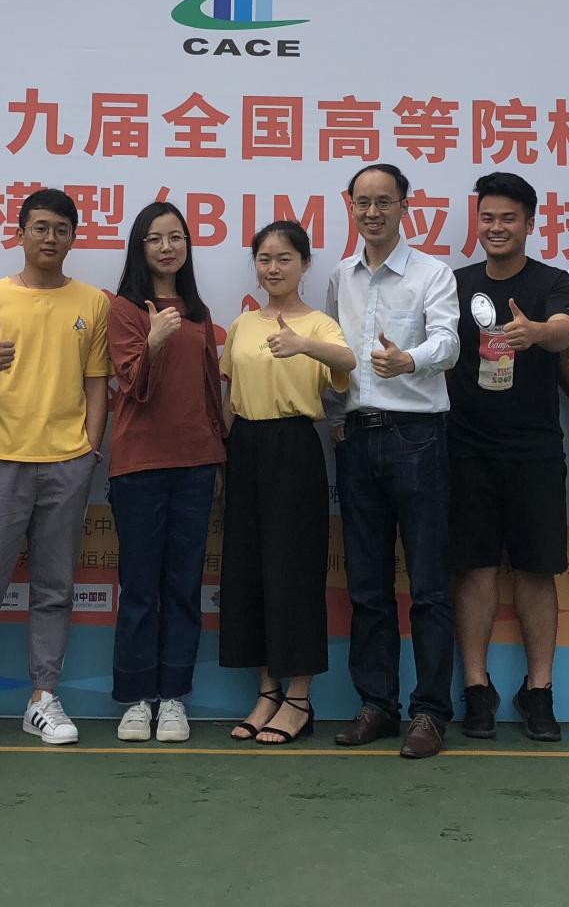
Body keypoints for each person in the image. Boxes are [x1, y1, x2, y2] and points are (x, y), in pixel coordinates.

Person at [0, 188, 110, 746]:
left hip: (67, 462)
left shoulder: (92, 302)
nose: (50, 238)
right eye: (40, 228)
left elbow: (97, 382)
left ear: (73, 237)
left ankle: (43, 698)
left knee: (55, 588)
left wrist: (90, 449)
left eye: (61, 229)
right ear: (20, 233)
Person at [325, 163, 460, 760]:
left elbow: (450, 341)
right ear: (350, 206)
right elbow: (336, 354)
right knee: (367, 585)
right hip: (357, 438)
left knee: (428, 585)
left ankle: (429, 712)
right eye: (363, 202)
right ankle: (376, 705)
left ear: (406, 206)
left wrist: (411, 360)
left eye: (384, 201)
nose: (373, 212)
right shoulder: (340, 277)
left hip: (417, 437)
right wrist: (335, 418)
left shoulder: (432, 272)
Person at [448, 172, 569, 742]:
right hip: (465, 445)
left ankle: (539, 690)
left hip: (534, 448)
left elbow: (564, 331)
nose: (496, 227)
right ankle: (477, 688)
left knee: (536, 569)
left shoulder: (552, 280)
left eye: (508, 218)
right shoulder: (454, 283)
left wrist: (538, 331)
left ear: (529, 223)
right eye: (488, 218)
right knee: (474, 568)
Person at [220, 221, 355, 747]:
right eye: (264, 259)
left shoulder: (320, 324)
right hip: (245, 446)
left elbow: (348, 364)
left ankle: (299, 698)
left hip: (295, 445)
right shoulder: (242, 325)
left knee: (294, 571)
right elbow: (230, 396)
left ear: (304, 264)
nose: (273, 268)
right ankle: (267, 692)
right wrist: (221, 459)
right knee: (250, 570)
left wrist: (303, 344)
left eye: (284, 259)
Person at [105, 202, 225, 743]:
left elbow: (209, 390)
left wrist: (218, 456)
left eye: (176, 237)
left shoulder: (198, 312)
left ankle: (173, 696)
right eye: (155, 238)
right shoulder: (124, 308)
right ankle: (136, 699)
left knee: (183, 586)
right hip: (139, 466)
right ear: (140, 247)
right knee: (139, 588)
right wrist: (153, 338)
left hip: (195, 464)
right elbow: (131, 386)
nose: (167, 247)